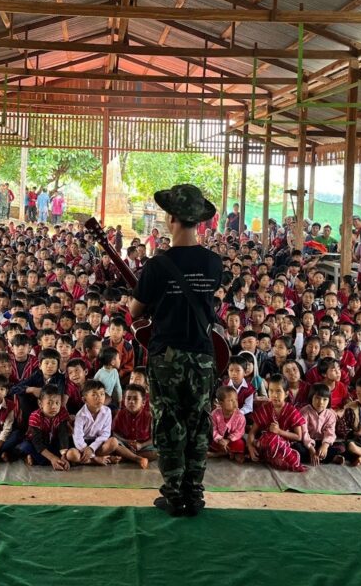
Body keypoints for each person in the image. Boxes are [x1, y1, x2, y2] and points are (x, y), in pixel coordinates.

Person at [130, 183, 223, 517]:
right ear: (197, 220)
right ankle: (194, 493)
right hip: (201, 354)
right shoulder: (214, 264)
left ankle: (173, 494)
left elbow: (135, 312)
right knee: (198, 422)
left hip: (167, 355)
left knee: (169, 424)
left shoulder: (157, 265)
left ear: (170, 218)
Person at [246, 374, 307, 473]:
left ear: (286, 393)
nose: (274, 395)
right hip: (264, 444)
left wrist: (279, 431)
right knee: (265, 440)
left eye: (278, 391)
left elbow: (298, 436)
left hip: (284, 445)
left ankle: (272, 457)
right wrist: (250, 447)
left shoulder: (292, 411)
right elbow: (252, 432)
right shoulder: (265, 408)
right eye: (271, 391)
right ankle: (270, 456)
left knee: (275, 439)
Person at [20, 385, 71, 470]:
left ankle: (41, 459)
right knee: (25, 446)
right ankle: (42, 459)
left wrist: (64, 456)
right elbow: (37, 442)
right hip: (36, 443)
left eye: (57, 403)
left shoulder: (62, 413)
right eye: (49, 403)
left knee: (69, 449)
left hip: (52, 442)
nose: (54, 406)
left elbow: (63, 435)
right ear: (40, 404)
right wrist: (52, 458)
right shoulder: (35, 416)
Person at [208, 385, 246, 462]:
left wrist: (228, 440)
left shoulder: (240, 416)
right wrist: (219, 440)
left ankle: (219, 454)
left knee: (240, 443)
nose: (235, 403)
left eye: (236, 399)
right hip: (219, 441)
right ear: (221, 403)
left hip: (231, 441)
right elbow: (213, 429)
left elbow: (239, 432)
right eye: (231, 400)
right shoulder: (215, 414)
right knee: (209, 440)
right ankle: (226, 453)